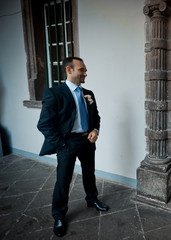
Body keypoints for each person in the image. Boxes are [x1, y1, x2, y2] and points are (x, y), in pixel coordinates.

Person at [37, 57, 109, 237]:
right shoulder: (54, 93)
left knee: (89, 173)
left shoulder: (88, 92)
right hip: (67, 143)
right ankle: (59, 215)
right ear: (69, 70)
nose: (85, 73)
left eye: (85, 70)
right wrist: (61, 143)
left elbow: (96, 117)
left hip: (87, 141)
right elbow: (44, 124)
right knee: (63, 180)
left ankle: (92, 200)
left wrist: (95, 129)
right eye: (82, 70)